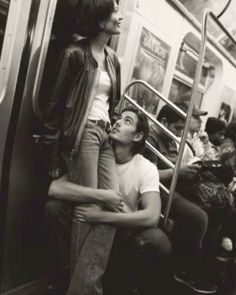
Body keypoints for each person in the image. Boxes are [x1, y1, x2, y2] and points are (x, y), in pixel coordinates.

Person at [43, 1, 123, 294]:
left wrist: (113, 126)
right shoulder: (74, 54)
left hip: (104, 136)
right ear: (100, 21)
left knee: (114, 203)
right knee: (89, 207)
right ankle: (85, 289)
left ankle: (82, 285)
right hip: (83, 133)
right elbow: (54, 108)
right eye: (115, 13)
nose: (120, 16)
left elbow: (114, 104)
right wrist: (53, 154)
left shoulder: (114, 59)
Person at [48, 107, 171, 295]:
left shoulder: (145, 167)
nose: (118, 122)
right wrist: (101, 196)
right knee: (54, 208)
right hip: (88, 223)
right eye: (118, 118)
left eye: (127, 121)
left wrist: (101, 216)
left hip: (120, 231)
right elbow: (55, 188)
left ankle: (128, 285)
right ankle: (67, 274)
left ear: (137, 136)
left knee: (158, 241)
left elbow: (152, 216)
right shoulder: (97, 157)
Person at [143, 103, 218, 294]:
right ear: (164, 122)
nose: (178, 133)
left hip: (175, 187)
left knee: (211, 208)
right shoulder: (151, 138)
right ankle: (184, 271)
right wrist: (178, 172)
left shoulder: (168, 139)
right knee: (198, 218)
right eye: (177, 128)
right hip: (159, 190)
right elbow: (148, 175)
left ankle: (196, 265)